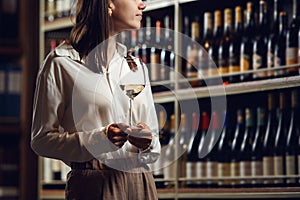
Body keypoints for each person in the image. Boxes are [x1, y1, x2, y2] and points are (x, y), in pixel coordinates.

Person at [31, 0, 161, 199]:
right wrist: (100, 139)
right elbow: (41, 140)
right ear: (109, 4)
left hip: (141, 181)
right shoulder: (60, 63)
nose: (142, 4)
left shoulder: (135, 66)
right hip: (94, 183)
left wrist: (147, 141)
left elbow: (155, 142)